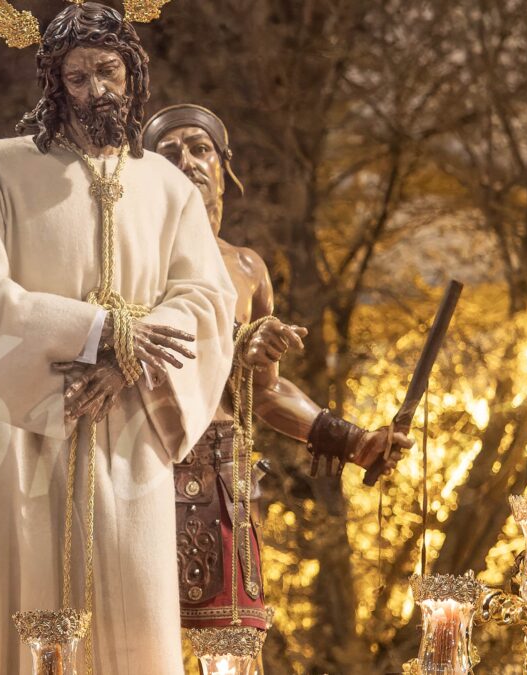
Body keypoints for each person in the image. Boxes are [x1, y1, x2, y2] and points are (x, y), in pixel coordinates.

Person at [0, 4, 238, 673]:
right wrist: (97, 330)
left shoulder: (168, 190)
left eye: (109, 71)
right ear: (53, 85)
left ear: (133, 74)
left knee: (130, 621)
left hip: (130, 435)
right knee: (20, 603)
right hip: (23, 439)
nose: (98, 90)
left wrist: (129, 359)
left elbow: (208, 299)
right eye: (78, 77)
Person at [143, 104, 413, 669]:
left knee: (234, 654)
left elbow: (265, 390)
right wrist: (228, 349)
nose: (187, 162)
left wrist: (352, 439)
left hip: (227, 482)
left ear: (223, 167)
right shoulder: (130, 261)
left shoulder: (247, 268)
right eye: (169, 155)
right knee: (138, 650)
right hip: (141, 472)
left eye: (200, 149)